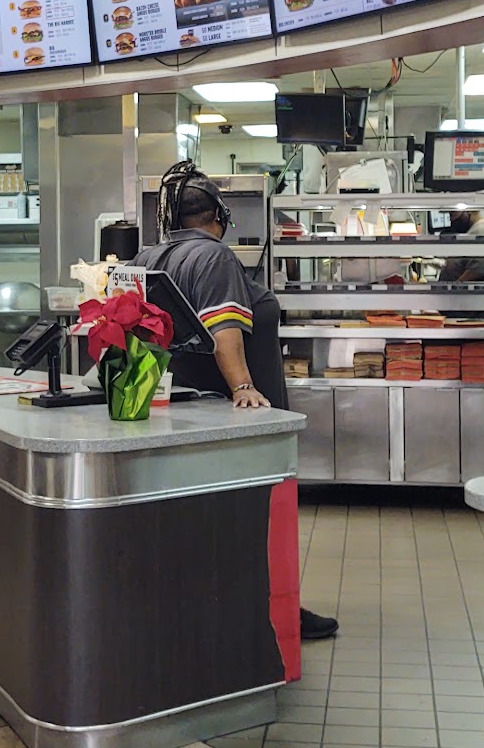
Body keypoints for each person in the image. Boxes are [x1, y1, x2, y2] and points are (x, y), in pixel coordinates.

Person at [129, 161, 340, 642]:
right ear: (220, 215)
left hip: (181, 411)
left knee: (207, 523)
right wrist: (244, 387)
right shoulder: (214, 257)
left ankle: (217, 609)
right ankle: (272, 614)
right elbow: (224, 332)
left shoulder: (148, 256)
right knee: (258, 519)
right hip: (233, 418)